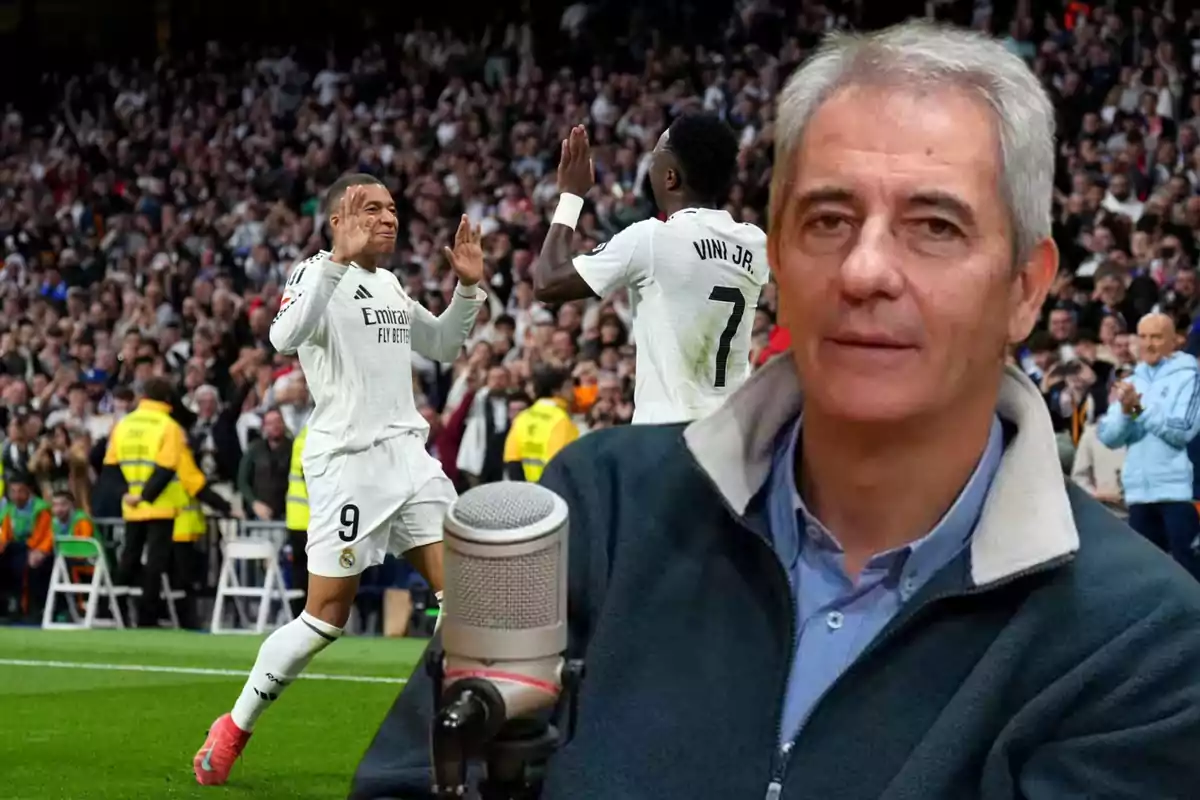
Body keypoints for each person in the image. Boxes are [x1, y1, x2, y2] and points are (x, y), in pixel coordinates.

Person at [351, 23, 1200, 800]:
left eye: (934, 226)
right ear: (780, 257)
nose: (866, 270)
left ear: (1027, 287)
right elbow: (418, 778)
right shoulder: (595, 511)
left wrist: (570, 201)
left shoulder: (1147, 642)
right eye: (829, 218)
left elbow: (546, 280)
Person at [193, 173, 486, 786]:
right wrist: (333, 262)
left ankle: (447, 736)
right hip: (348, 465)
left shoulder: (389, 283)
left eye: (392, 208)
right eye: (371, 208)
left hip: (409, 458)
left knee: (466, 593)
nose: (389, 217)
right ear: (338, 220)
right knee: (326, 619)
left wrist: (467, 287)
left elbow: (442, 344)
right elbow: (281, 338)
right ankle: (235, 726)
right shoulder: (313, 273)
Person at [533, 113, 770, 424]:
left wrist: (570, 197)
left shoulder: (650, 239)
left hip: (667, 435)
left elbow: (547, 282)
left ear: (670, 176)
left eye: (655, 156)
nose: (650, 166)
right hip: (730, 434)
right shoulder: (755, 243)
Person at [103, 377, 233, 628]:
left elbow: (110, 467)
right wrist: (146, 496)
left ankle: (116, 610)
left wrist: (127, 494)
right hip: (161, 506)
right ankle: (146, 616)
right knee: (155, 564)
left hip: (131, 506)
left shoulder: (123, 425)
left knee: (128, 559)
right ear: (168, 400)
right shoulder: (169, 427)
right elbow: (169, 470)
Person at [1097, 312, 1200, 579]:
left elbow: (1182, 431)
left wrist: (1139, 409)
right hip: (1140, 493)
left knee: (1188, 572)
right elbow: (1109, 436)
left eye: (1156, 337)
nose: (1148, 344)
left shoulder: (1190, 378)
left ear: (1175, 340)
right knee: (1146, 578)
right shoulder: (1132, 381)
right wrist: (1126, 411)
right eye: (1143, 337)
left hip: (1180, 493)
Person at [502, 367, 579, 482]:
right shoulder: (562, 420)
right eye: (569, 387)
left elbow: (512, 459)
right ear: (556, 391)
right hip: (552, 490)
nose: (573, 391)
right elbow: (563, 463)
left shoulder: (523, 417)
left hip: (528, 490)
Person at [0, 473, 53, 620]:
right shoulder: (9, 510)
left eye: (20, 491)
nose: (16, 496)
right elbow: (5, 535)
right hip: (15, 547)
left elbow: (46, 536)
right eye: (13, 492)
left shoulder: (41, 509)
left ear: (29, 490)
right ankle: (6, 607)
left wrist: (39, 551)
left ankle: (29, 609)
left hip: (37, 548)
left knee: (28, 564)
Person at [284, 425, 310, 620]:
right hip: (309, 519)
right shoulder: (315, 434)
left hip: (298, 518)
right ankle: (305, 618)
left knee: (301, 571)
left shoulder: (305, 434)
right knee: (310, 572)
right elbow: (310, 475)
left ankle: (301, 618)